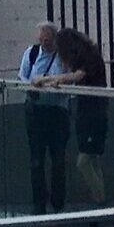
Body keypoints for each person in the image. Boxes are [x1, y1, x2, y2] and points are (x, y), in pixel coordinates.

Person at [46, 28, 111, 204]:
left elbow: (78, 75)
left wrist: (53, 79)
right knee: (93, 159)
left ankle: (100, 201)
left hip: (95, 112)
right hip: (85, 110)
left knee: (83, 161)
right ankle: (100, 200)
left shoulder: (90, 56)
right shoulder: (82, 58)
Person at [17, 23, 70, 213]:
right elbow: (22, 77)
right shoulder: (31, 54)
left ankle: (58, 203)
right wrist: (32, 85)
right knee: (36, 160)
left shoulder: (63, 57)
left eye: (47, 40)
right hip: (35, 111)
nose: (44, 43)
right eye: (41, 40)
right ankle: (39, 203)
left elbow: (68, 78)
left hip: (57, 111)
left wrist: (47, 81)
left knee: (58, 160)